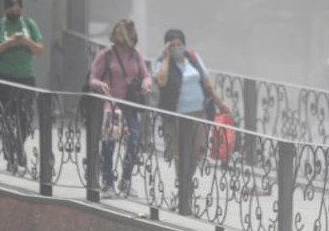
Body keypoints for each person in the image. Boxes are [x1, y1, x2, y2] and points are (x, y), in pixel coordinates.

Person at [88, 19, 153, 197]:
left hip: (129, 105)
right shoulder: (106, 55)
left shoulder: (135, 54)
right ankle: (108, 182)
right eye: (120, 34)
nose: (124, 40)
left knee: (134, 139)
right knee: (109, 142)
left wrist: (147, 84)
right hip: (111, 104)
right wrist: (100, 84)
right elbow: (92, 78)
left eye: (127, 35)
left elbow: (146, 75)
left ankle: (126, 181)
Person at [0, 0, 44, 172]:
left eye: (18, 10)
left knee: (25, 118)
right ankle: (10, 154)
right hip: (3, 77)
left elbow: (39, 49)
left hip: (25, 77)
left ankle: (18, 146)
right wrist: (7, 43)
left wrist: (26, 41)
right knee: (7, 118)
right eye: (12, 11)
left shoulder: (29, 24)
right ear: (5, 10)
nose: (15, 13)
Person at [154, 29, 230, 165]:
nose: (177, 48)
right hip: (175, 115)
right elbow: (161, 81)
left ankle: (186, 181)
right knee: (179, 153)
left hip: (199, 113)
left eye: (179, 44)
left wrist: (220, 104)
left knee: (200, 149)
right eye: (173, 46)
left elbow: (207, 83)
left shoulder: (193, 58)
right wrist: (166, 58)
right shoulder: (162, 61)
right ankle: (184, 184)